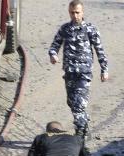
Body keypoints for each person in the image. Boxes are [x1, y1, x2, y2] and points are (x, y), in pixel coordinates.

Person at [48, 0, 109, 138]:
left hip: (84, 73)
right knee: (71, 102)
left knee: (78, 105)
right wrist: (53, 55)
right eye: (72, 12)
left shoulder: (90, 29)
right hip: (69, 72)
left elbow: (100, 50)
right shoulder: (65, 29)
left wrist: (104, 70)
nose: (75, 16)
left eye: (77, 12)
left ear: (82, 12)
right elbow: (55, 45)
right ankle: (84, 122)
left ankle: (80, 134)